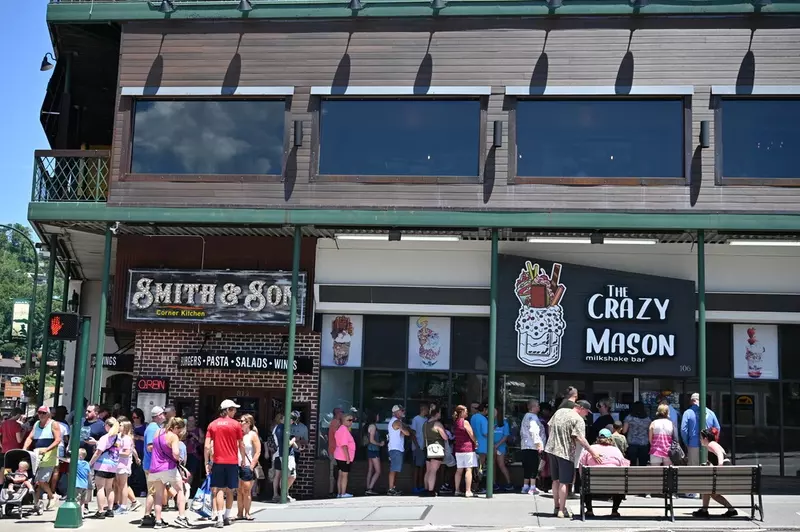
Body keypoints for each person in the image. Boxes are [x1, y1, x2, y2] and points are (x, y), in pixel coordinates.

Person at [545, 400, 601, 519]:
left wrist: (552, 441)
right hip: (565, 452)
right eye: (586, 411)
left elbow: (549, 426)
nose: (586, 414)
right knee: (564, 482)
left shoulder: (559, 412)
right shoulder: (578, 420)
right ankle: (561, 510)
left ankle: (556, 506)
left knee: (555, 480)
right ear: (580, 408)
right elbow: (580, 438)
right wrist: (593, 452)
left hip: (551, 449)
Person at [205, 400, 246, 527]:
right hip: (232, 461)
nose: (235, 412)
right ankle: (227, 516)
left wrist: (207, 462)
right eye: (233, 409)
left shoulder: (212, 424)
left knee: (219, 490)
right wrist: (243, 459)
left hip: (218, 461)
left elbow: (207, 446)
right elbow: (241, 444)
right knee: (230, 490)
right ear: (228, 410)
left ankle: (219, 518)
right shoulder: (236, 425)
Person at [579, 428, 630, 518]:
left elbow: (582, 465)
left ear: (598, 438)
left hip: (592, 485)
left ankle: (589, 510)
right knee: (620, 483)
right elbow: (624, 467)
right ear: (610, 439)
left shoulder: (590, 449)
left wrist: (582, 478)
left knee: (586, 482)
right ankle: (614, 511)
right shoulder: (616, 451)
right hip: (614, 485)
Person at [150, 417, 191, 529]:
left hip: (155, 467)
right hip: (169, 468)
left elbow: (152, 447)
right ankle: (181, 517)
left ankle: (158, 521)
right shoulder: (173, 437)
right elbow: (176, 453)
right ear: (176, 427)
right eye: (180, 430)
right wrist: (178, 459)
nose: (180, 432)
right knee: (180, 490)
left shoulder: (158, 432)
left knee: (158, 495)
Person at [23, 405, 62, 511]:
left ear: (48, 414)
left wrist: (47, 449)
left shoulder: (53, 424)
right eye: (39, 412)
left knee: (41, 480)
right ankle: (36, 503)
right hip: (37, 453)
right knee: (35, 480)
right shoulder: (36, 424)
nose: (41, 415)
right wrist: (24, 448)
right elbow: (30, 437)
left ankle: (52, 495)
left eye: (44, 413)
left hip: (49, 454)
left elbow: (58, 439)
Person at [692, 428, 738, 518]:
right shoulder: (711, 446)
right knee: (710, 490)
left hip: (724, 471)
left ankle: (704, 510)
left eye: (701, 438)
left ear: (706, 438)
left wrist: (720, 465)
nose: (700, 440)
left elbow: (719, 453)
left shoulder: (711, 444)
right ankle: (731, 510)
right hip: (727, 472)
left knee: (708, 487)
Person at [88, 417, 120, 519]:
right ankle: (110, 510)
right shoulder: (117, 437)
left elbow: (98, 452)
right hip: (113, 464)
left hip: (102, 464)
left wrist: (90, 463)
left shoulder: (105, 437)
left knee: (100, 487)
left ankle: (101, 510)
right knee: (109, 487)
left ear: (107, 426)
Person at [142, 406, 167, 528]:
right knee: (153, 492)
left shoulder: (154, 427)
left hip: (152, 465)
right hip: (153, 466)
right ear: (157, 416)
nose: (164, 416)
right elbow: (150, 447)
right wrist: (163, 452)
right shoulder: (153, 428)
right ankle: (147, 516)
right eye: (162, 414)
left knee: (153, 491)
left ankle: (149, 515)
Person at [681, 393, 721, 467]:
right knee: (707, 468)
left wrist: (687, 442)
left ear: (692, 401)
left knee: (693, 468)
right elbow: (717, 428)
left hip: (693, 444)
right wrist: (713, 442)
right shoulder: (711, 413)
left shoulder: (687, 413)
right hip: (708, 445)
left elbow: (683, 430)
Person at [115, 419, 142, 514]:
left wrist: (116, 451)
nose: (119, 427)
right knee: (119, 485)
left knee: (123, 485)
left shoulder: (126, 438)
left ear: (126, 428)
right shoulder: (119, 437)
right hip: (118, 464)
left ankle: (124, 506)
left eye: (121, 425)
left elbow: (126, 452)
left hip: (124, 464)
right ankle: (120, 504)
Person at [237, 414, 261, 520]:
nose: (240, 422)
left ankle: (247, 513)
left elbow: (258, 451)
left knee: (246, 490)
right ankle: (239, 513)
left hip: (247, 465)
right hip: (236, 464)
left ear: (249, 423)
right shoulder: (237, 434)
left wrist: (252, 465)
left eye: (243, 421)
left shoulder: (253, 435)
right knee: (238, 490)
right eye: (240, 420)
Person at [271, 413, 299, 502]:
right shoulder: (281, 428)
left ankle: (285, 493)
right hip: (285, 455)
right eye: (292, 421)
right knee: (291, 475)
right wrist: (294, 439)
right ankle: (283, 493)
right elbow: (287, 444)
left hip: (285, 454)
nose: (292, 423)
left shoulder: (282, 428)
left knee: (286, 475)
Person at [520, 399, 545, 495]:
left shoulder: (526, 416)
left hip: (525, 445)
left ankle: (525, 486)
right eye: (538, 406)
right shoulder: (533, 417)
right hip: (532, 446)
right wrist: (538, 444)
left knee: (527, 467)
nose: (539, 408)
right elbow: (534, 431)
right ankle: (532, 487)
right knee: (533, 467)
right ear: (533, 407)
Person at [452, 405, 477, 498]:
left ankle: (457, 490)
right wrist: (476, 442)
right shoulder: (465, 422)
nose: (467, 413)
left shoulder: (456, 422)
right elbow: (471, 434)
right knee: (468, 469)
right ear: (461, 412)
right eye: (466, 411)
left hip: (458, 449)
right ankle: (468, 490)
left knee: (459, 470)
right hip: (467, 448)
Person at [423, 405, 448, 497]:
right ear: (437, 413)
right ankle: (431, 490)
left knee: (428, 470)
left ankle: (426, 488)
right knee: (433, 471)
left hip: (427, 447)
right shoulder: (437, 424)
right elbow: (445, 437)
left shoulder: (425, 424)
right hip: (436, 448)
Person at [387, 405, 411, 496]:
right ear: (396, 412)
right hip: (395, 448)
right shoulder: (397, 422)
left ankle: (393, 487)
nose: (403, 412)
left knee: (396, 469)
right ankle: (391, 489)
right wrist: (404, 429)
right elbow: (407, 433)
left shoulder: (397, 421)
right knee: (394, 469)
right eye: (401, 410)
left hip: (396, 448)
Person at [334, 413, 356, 498]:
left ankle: (339, 493)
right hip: (343, 457)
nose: (351, 422)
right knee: (344, 475)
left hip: (339, 456)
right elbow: (344, 445)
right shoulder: (344, 430)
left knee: (340, 474)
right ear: (343, 421)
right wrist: (347, 458)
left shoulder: (341, 429)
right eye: (349, 420)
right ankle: (343, 493)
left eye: (352, 420)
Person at [492, 407, 513, 492]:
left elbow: (505, 436)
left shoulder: (504, 423)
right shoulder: (489, 422)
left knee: (501, 465)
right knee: (492, 465)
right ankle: (493, 483)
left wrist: (497, 445)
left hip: (500, 447)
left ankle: (509, 483)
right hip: (491, 446)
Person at [623, 401, 651, 467]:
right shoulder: (648, 419)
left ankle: (632, 476)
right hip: (644, 443)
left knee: (632, 464)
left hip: (632, 443)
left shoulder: (629, 418)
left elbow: (624, 431)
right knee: (643, 464)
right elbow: (649, 431)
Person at [410, 404, 430, 494]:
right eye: (427, 409)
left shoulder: (426, 420)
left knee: (422, 467)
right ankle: (415, 486)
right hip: (418, 447)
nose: (428, 411)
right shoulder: (416, 419)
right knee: (417, 467)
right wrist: (417, 446)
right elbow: (413, 433)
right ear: (423, 409)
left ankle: (421, 485)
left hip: (425, 446)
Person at [470, 403, 489, 493]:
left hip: (474, 445)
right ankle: (477, 487)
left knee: (474, 467)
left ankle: (473, 486)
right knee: (480, 467)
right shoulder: (484, 419)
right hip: (483, 446)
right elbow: (485, 433)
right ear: (485, 410)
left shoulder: (473, 417)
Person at [364, 411, 384, 495]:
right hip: (374, 450)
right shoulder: (373, 426)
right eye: (377, 415)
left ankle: (368, 487)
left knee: (370, 469)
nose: (378, 417)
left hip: (369, 449)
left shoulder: (368, 425)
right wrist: (380, 444)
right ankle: (370, 488)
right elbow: (371, 440)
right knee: (378, 471)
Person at [185, 415, 205, 497]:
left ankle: (188, 489)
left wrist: (195, 437)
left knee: (192, 472)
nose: (191, 422)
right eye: (189, 421)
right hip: (185, 453)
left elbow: (202, 441)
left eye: (192, 420)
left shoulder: (198, 430)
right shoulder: (184, 429)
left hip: (194, 454)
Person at [327, 408, 343, 496]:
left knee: (338, 471)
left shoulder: (338, 423)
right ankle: (332, 491)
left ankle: (337, 490)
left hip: (337, 450)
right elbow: (337, 435)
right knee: (333, 472)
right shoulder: (335, 422)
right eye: (341, 412)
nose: (342, 414)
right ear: (337, 413)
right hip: (334, 450)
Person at [131, 408, 147, 496]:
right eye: (133, 417)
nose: (134, 419)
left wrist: (139, 437)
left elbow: (149, 439)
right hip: (132, 451)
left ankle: (142, 489)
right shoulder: (131, 426)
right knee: (132, 471)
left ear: (140, 417)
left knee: (141, 471)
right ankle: (133, 489)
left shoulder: (145, 426)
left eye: (136, 417)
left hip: (142, 451)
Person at [76, 448, 91, 517]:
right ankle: (82, 514)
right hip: (85, 485)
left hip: (77, 484)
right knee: (82, 501)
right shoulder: (87, 463)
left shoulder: (77, 463)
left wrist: (58, 457)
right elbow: (88, 474)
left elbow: (68, 461)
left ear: (80, 456)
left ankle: (78, 514)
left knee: (77, 500)